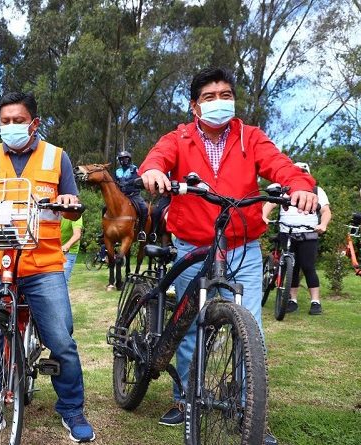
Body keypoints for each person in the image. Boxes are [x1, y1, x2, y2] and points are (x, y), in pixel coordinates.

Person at [139, 67, 318, 445]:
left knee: (250, 329)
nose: (219, 101)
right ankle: (184, 401)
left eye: (225, 94)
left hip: (243, 247)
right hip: (193, 245)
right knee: (189, 327)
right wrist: (154, 170)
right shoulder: (180, 137)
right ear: (194, 105)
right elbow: (159, 156)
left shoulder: (249, 137)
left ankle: (246, 410)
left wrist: (301, 185)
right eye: (209, 96)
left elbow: (281, 166)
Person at [0, 92, 95, 442]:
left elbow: (72, 204)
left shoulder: (57, 157)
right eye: (4, 121)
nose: (11, 126)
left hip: (43, 265)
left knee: (60, 339)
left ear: (34, 123)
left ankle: (71, 409)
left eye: (17, 120)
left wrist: (70, 203)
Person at [261, 162, 331, 315]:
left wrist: (323, 224)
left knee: (308, 267)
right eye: (297, 171)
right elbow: (269, 204)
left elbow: (326, 211)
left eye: (303, 172)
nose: (301, 174)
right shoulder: (284, 190)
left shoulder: (317, 191)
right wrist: (263, 216)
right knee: (291, 267)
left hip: (308, 234)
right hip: (286, 232)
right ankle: (292, 300)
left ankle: (315, 302)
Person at [114, 151, 148, 239]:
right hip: (121, 196)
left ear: (129, 159)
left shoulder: (134, 169)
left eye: (125, 158)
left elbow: (136, 178)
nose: (123, 161)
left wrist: (126, 183)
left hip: (133, 195)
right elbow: (114, 180)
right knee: (106, 208)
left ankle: (141, 231)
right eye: (121, 159)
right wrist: (117, 183)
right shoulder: (118, 171)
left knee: (144, 209)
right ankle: (105, 231)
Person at [61, 215, 83, 283]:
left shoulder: (74, 212)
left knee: (63, 280)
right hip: (53, 249)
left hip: (69, 251)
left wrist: (66, 246)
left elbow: (77, 234)